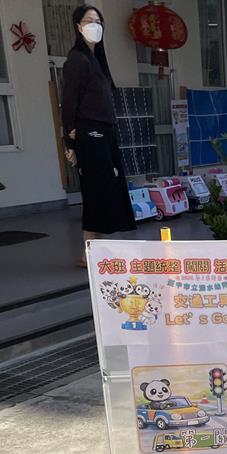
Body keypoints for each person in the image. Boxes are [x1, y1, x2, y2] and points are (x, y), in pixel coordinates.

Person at [61, 4, 135, 267]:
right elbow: (68, 103)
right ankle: (88, 253)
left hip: (104, 132)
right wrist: (69, 142)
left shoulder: (97, 61)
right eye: (89, 21)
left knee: (106, 189)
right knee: (95, 190)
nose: (95, 25)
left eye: (98, 21)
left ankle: (97, 249)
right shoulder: (76, 60)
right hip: (89, 132)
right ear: (78, 26)